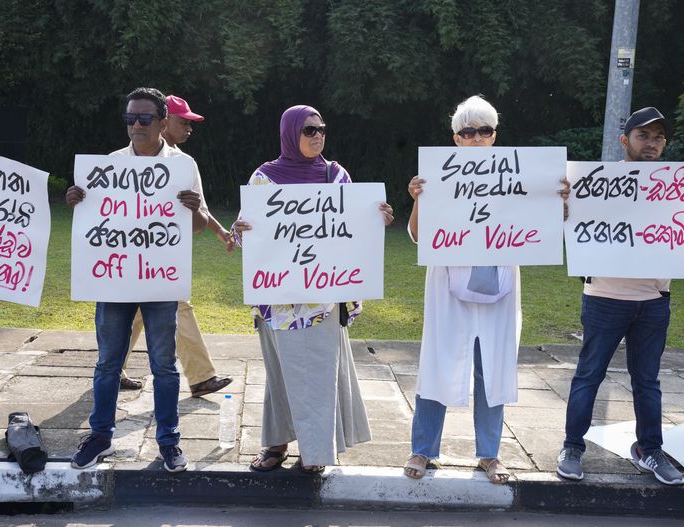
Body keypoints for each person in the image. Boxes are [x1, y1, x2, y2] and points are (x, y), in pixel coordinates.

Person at [404, 95, 569, 484]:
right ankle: (422, 449)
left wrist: (555, 201)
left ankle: (490, 453)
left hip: (501, 284)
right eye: (467, 131)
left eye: (484, 130)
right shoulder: (437, 176)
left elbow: (542, 231)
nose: (476, 138)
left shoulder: (520, 176)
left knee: (493, 365)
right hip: (448, 284)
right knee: (438, 360)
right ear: (456, 137)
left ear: (495, 136)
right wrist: (417, 200)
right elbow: (416, 236)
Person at [234, 105, 393, 473]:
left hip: (323, 297)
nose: (317, 134)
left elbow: (353, 228)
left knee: (319, 374)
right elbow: (245, 239)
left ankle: (315, 452)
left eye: (321, 128)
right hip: (280, 300)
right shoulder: (265, 179)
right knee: (280, 374)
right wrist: (240, 232)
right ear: (290, 133)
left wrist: (376, 221)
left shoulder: (336, 175)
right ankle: (276, 444)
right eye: (308, 130)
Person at [65, 87, 209, 472]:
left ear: (163, 123)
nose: (135, 126)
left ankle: (169, 442)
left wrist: (194, 210)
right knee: (108, 362)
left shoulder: (183, 165)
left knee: (164, 365)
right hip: (115, 279)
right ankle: (99, 436)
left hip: (160, 279)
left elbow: (195, 228)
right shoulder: (109, 165)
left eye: (144, 119)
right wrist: (77, 201)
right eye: (130, 118)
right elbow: (93, 221)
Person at [557, 107, 683, 486]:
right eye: (644, 136)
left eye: (659, 137)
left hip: (653, 299)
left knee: (647, 381)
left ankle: (650, 450)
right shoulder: (595, 182)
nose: (652, 143)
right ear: (624, 140)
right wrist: (563, 204)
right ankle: (572, 447)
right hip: (604, 297)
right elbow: (566, 220)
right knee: (588, 376)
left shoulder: (673, 185)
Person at [118, 95, 233, 397]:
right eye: (185, 122)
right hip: (127, 257)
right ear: (165, 123)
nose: (189, 128)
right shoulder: (119, 161)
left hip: (164, 259)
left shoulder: (183, 165)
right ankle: (200, 377)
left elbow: (200, 212)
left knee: (140, 313)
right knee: (160, 309)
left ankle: (113, 368)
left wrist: (218, 229)